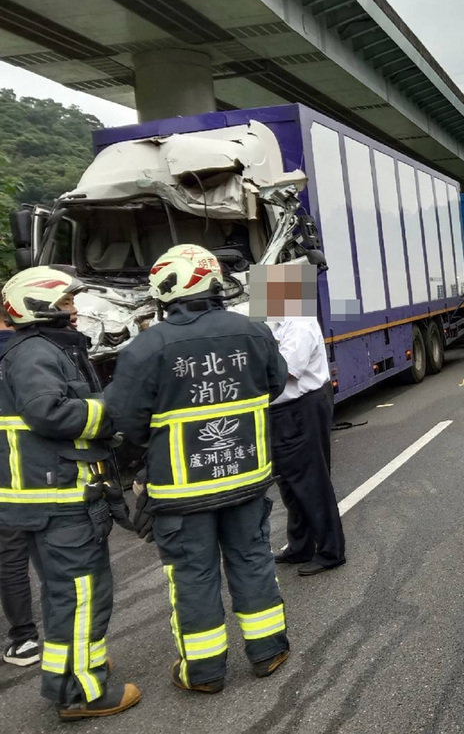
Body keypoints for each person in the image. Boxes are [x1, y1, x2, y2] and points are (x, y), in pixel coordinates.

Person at [106, 244, 290, 694]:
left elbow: (124, 418)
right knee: (251, 559)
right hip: (245, 476)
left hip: (181, 490)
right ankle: (269, 651)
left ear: (165, 289)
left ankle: (204, 672)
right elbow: (276, 383)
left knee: (193, 574)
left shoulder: (146, 346)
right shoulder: (253, 331)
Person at [0, 267, 141, 720]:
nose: (75, 310)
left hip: (45, 500)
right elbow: (48, 411)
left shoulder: (32, 350)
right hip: (59, 500)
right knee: (81, 595)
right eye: (65, 303)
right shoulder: (35, 354)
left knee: (65, 595)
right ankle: (84, 692)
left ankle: (71, 673)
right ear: (37, 307)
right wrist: (111, 411)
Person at [253, 263, 346, 577]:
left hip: (302, 407)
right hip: (282, 410)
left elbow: (286, 371)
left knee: (311, 481)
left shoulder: (300, 324)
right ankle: (300, 546)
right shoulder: (274, 323)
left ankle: (331, 551)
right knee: (290, 484)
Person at [0, 314, 40, 669]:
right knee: (53, 557)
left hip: (4, 481)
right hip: (42, 475)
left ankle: (25, 639)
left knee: (10, 557)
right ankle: (70, 634)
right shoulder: (36, 350)